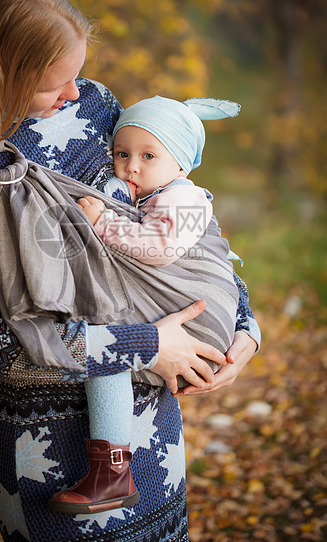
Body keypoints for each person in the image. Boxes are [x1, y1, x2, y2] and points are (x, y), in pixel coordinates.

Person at [0, 0, 260, 542]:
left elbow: (172, 216)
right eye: (55, 84)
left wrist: (240, 322)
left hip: (149, 428)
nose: (76, 92)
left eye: (77, 73)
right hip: (49, 449)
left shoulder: (96, 106)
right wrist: (151, 345)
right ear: (3, 77)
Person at [48, 95, 240, 514]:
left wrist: (103, 222)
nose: (130, 165)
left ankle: (112, 471)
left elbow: (161, 248)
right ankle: (111, 468)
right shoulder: (155, 193)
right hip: (182, 314)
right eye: (122, 153)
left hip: (200, 320)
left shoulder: (185, 199)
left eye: (148, 155)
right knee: (110, 348)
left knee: (108, 347)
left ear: (182, 164)